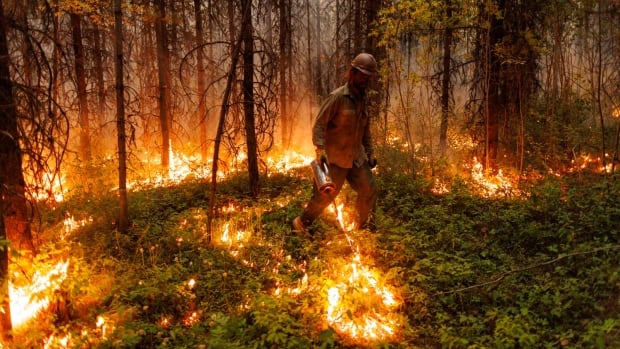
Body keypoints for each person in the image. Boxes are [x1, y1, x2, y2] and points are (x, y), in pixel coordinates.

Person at [292, 52, 378, 234]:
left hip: (356, 158)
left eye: (368, 77)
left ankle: (364, 228)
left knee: (368, 189)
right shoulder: (337, 97)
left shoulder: (364, 100)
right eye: (362, 75)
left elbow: (365, 129)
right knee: (324, 197)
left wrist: (370, 152)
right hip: (335, 159)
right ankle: (301, 223)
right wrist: (320, 149)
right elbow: (319, 125)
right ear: (353, 73)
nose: (365, 80)